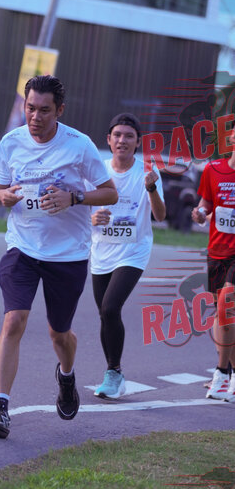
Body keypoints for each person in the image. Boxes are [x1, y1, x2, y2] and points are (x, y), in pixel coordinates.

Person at [0, 74, 118, 438]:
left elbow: (110, 193)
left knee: (59, 334)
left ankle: (66, 377)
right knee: (13, 321)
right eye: (30, 108)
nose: (35, 117)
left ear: (59, 111)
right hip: (22, 247)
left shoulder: (79, 146)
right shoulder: (11, 142)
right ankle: (0, 407)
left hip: (67, 254)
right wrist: (2, 197)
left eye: (44, 110)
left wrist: (75, 197)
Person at [90, 113, 166, 399]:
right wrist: (92, 219)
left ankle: (113, 372)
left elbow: (160, 215)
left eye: (129, 136)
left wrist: (152, 188)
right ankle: (116, 374)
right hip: (101, 250)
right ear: (109, 140)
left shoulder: (147, 173)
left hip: (134, 251)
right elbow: (83, 210)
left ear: (137, 142)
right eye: (117, 135)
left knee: (111, 307)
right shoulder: (97, 171)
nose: (122, 140)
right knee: (104, 313)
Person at [192, 123, 235, 402]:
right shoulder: (213, 169)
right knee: (222, 315)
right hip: (217, 251)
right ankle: (230, 372)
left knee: (225, 306)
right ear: (232, 136)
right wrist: (200, 212)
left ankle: (220, 373)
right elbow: (206, 203)